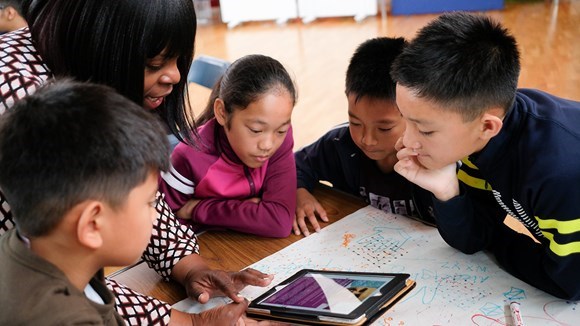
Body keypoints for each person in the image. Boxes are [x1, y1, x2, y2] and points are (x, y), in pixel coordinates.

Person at [0, 1, 276, 324]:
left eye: (178, 59)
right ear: (101, 45)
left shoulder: (67, 69)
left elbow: (126, 190)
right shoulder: (24, 108)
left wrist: (189, 265)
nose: (173, 75)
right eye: (154, 63)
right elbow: (70, 283)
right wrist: (188, 321)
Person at [390, 11, 580, 300]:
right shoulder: (476, 136)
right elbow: (471, 238)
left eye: (425, 131)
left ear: (488, 126)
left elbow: (568, 283)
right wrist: (447, 191)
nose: (407, 140)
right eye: (405, 119)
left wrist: (494, 238)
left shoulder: (560, 173)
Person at [0, 80, 168, 324]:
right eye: (150, 203)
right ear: (92, 224)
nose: (155, 216)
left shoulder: (26, 249)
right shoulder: (62, 320)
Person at [293, 37, 435, 236]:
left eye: (384, 128)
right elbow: (295, 165)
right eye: (355, 123)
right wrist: (300, 192)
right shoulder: (339, 144)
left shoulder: (435, 157)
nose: (367, 139)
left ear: (415, 116)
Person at [159, 54, 297, 238]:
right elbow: (163, 227)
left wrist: (199, 209)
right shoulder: (189, 158)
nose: (268, 145)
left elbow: (279, 221)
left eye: (280, 131)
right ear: (222, 112)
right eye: (256, 130)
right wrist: (251, 212)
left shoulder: (281, 139)